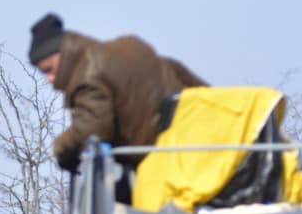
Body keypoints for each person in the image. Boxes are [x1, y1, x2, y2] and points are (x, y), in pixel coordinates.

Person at [28, 12, 206, 174]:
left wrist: (61, 147)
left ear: (62, 55)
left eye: (48, 70)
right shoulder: (129, 46)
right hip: (196, 134)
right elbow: (176, 71)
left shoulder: (86, 77)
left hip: (161, 159)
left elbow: (92, 129)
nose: (48, 79)